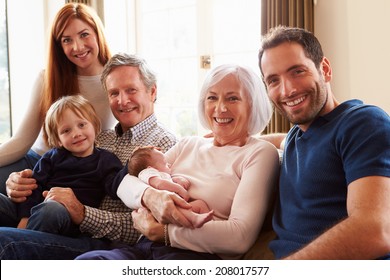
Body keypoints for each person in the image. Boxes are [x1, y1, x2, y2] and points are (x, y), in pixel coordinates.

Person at [76, 63, 280, 260]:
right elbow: (125, 183)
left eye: (233, 98)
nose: (220, 108)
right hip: (143, 247)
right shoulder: (189, 144)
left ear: (253, 104)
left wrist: (165, 232)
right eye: (212, 98)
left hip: (193, 255)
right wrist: (149, 195)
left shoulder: (259, 153)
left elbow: (239, 237)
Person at [0, 53, 179, 259]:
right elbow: (44, 172)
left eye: (131, 90)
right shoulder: (99, 138)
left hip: (93, 241)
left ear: (152, 91)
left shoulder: (164, 146)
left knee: (5, 240)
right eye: (114, 93)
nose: (122, 101)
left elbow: (144, 227)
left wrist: (82, 212)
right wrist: (18, 183)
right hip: (46, 213)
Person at [258, 26, 390, 259]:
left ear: (325, 70)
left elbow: (376, 230)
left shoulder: (362, 123)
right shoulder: (294, 138)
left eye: (297, 71)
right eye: (273, 80)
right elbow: (280, 139)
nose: (287, 90)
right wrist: (238, 139)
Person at [0, 3, 116, 195]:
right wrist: (16, 177)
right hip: (36, 162)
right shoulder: (47, 79)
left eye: (84, 34)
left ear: (97, 33)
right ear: (59, 45)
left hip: (78, 171)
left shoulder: (116, 79)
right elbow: (21, 141)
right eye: (66, 40)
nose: (77, 46)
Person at [0, 95, 123, 235]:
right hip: (35, 210)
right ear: (58, 140)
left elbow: (116, 186)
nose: (76, 133)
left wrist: (135, 166)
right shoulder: (52, 157)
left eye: (82, 125)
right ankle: (20, 235)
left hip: (67, 219)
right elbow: (34, 187)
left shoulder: (106, 160)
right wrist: (25, 218)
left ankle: (20, 240)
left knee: (51, 209)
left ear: (95, 126)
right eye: (66, 131)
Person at [128, 145, 214, 228]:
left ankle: (211, 226)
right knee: (191, 208)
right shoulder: (146, 173)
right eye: (165, 163)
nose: (169, 165)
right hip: (163, 207)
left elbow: (166, 181)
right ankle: (194, 218)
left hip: (172, 205)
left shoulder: (157, 175)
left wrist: (178, 179)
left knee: (200, 204)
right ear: (150, 168)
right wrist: (179, 189)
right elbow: (159, 184)